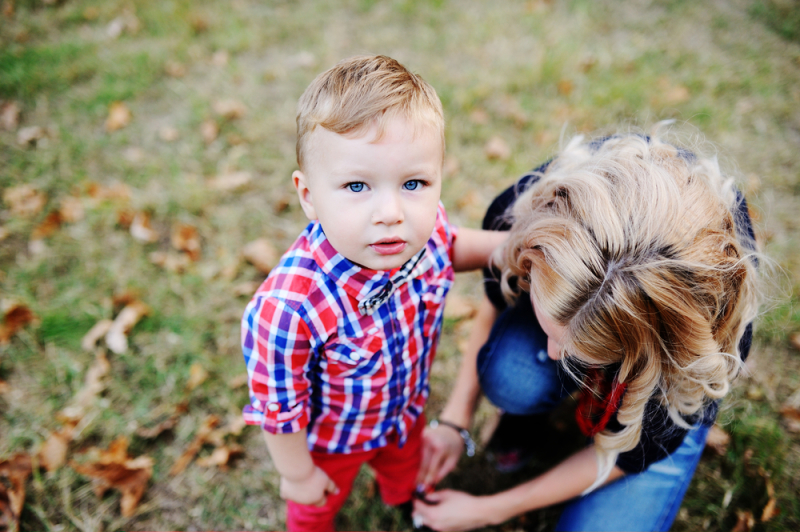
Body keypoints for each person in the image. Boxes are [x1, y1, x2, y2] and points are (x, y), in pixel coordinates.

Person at [413, 127, 760, 531]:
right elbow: (494, 305)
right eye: (552, 328)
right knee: (511, 373)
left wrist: (490, 509)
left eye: (582, 351)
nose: (556, 355)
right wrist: (456, 420)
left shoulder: (700, 343)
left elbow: (627, 457)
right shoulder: (531, 214)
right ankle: (528, 416)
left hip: (663, 384)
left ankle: (646, 424)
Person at [240, 55, 506, 532]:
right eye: (357, 185)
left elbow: (452, 245)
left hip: (403, 415)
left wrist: (510, 249)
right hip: (330, 442)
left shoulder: (419, 236)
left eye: (414, 183)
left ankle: (406, 501)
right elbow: (278, 409)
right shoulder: (288, 309)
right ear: (308, 196)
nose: (390, 211)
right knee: (315, 507)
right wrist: (298, 474)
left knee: (405, 469)